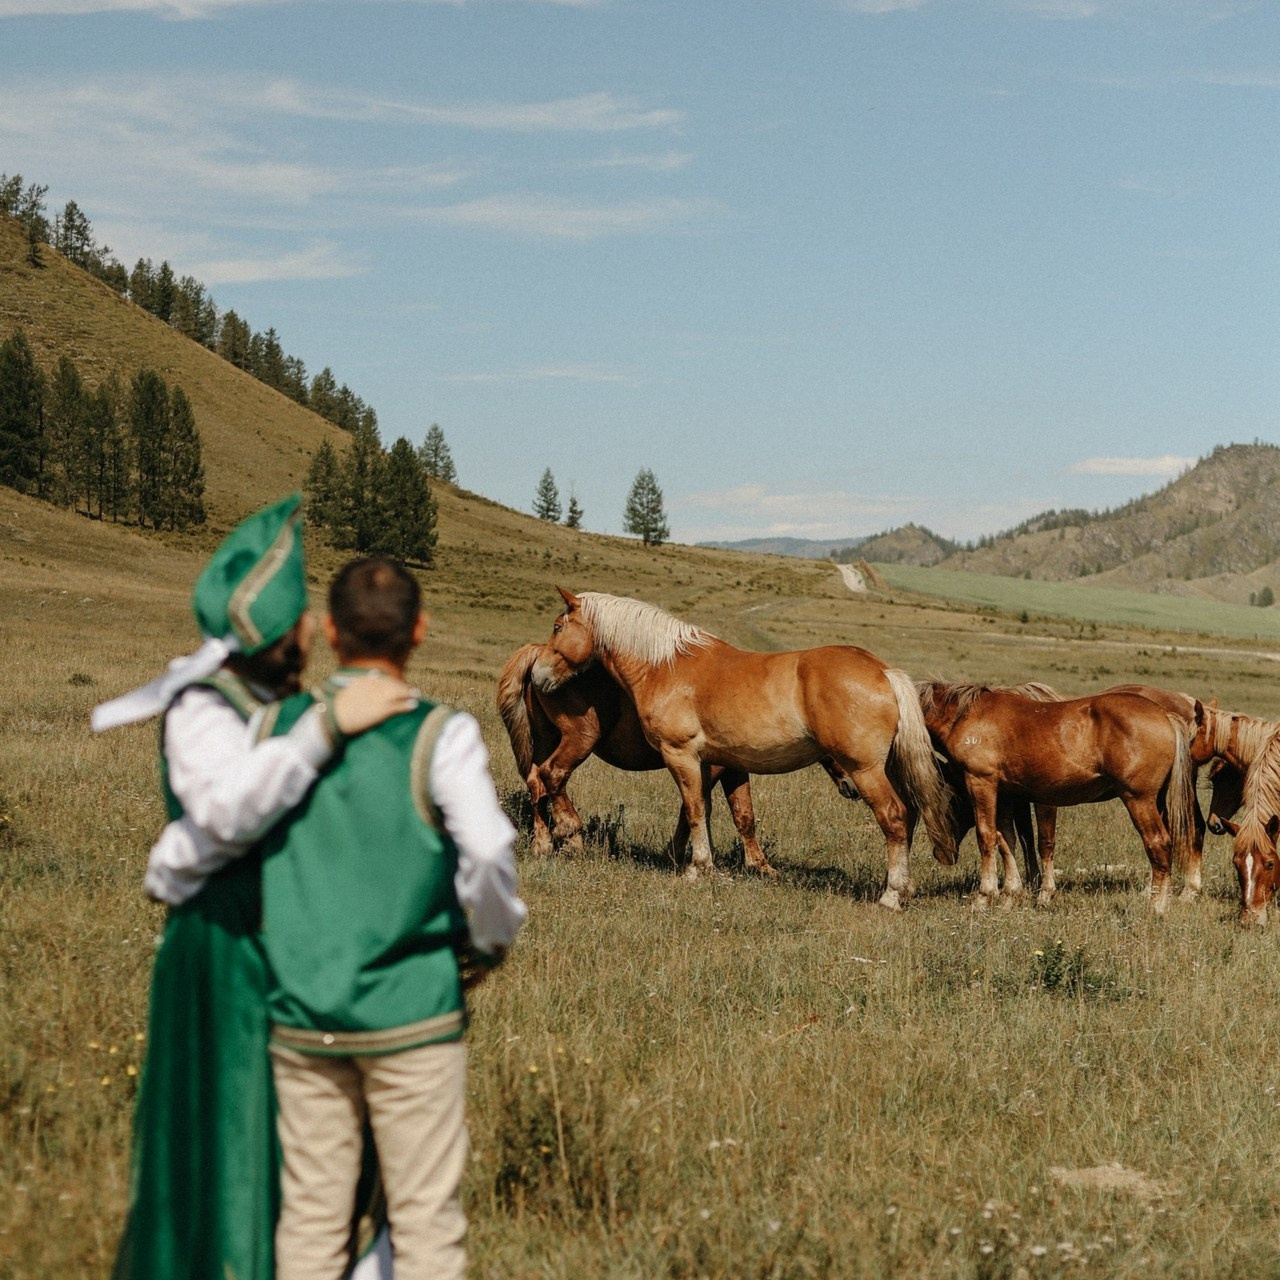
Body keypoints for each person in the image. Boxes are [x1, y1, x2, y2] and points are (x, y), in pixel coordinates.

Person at [93, 494, 413, 1280]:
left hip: (289, 947)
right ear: (273, 634)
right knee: (235, 1129)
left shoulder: (279, 704)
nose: (311, 631)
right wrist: (326, 733)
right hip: (226, 951)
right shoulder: (203, 706)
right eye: (299, 618)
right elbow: (229, 810)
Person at [257, 555, 527, 1280]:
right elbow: (490, 855)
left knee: (311, 1220)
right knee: (424, 1227)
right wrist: (488, 944)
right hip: (414, 1017)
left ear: (328, 633)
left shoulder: (278, 730)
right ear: (420, 630)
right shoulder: (443, 735)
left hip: (302, 1013)